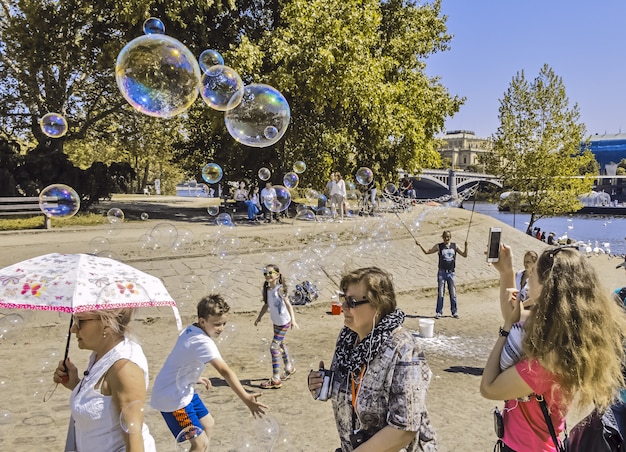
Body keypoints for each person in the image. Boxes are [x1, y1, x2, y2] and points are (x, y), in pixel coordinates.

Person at [481, 244, 626, 452]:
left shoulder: (548, 363)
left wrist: (504, 330)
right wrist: (507, 273)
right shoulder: (565, 335)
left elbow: (489, 387)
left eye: (533, 272)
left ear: (545, 286)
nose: (529, 275)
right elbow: (515, 316)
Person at [307, 266, 438, 451]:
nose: (343, 307)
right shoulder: (348, 339)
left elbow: (404, 428)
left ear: (378, 305)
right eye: (343, 298)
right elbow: (351, 391)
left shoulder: (403, 349)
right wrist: (321, 384)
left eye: (351, 302)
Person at [151, 294, 267, 450]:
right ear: (202, 321)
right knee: (199, 443)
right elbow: (225, 371)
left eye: (224, 323)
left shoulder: (191, 330)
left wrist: (194, 377)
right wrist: (246, 397)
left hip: (183, 389)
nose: (222, 329)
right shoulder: (203, 342)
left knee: (209, 424)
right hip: (173, 398)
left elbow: (182, 359)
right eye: (217, 324)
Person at [53, 309, 156, 452]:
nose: (73, 329)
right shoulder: (101, 354)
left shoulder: (124, 369)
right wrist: (76, 385)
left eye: (80, 321)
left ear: (106, 323)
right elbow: (105, 404)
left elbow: (134, 438)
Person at [254, 264, 299, 389]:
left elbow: (288, 305)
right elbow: (266, 305)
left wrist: (293, 320)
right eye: (265, 273)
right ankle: (289, 367)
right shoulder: (268, 290)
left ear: (277, 275)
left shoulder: (279, 290)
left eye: (270, 273)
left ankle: (276, 378)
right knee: (280, 344)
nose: (267, 275)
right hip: (276, 323)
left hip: (284, 322)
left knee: (274, 347)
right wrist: (259, 317)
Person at [415, 230, 468, 319]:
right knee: (441, 294)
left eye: (448, 237)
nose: (446, 239)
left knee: (453, 293)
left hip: (451, 272)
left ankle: (454, 312)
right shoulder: (439, 246)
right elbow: (427, 252)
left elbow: (464, 255)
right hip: (442, 273)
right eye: (444, 237)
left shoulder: (454, 246)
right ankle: (439, 312)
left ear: (450, 237)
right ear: (442, 237)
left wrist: (466, 246)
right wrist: (420, 245)